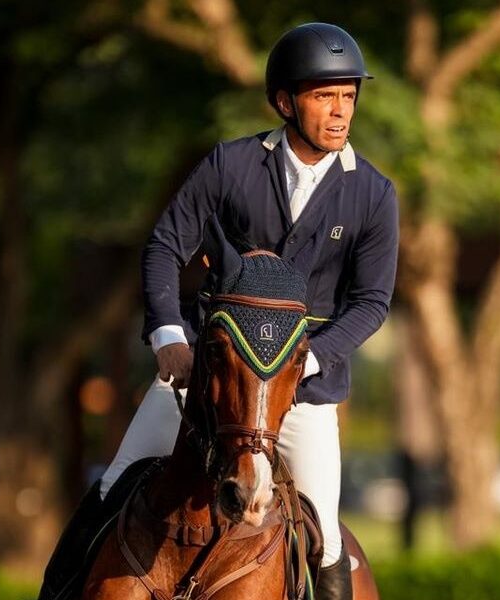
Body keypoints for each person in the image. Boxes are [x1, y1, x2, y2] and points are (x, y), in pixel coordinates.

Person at [39, 22, 398, 600]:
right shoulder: (230, 166)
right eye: (323, 96)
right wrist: (168, 339)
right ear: (285, 101)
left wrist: (309, 358)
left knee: (327, 539)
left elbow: (373, 302)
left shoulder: (374, 194)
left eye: (348, 96)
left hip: (301, 394)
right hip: (206, 379)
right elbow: (163, 248)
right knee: (107, 492)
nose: (340, 112)